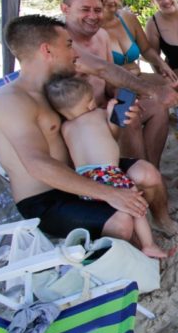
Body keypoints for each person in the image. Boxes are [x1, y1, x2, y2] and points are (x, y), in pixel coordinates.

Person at [0, 14, 178, 244]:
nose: (75, 53)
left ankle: (162, 221)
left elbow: (104, 77)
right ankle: (136, 261)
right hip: (46, 198)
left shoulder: (62, 90)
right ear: (47, 51)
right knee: (121, 221)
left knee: (147, 173)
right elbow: (37, 164)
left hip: (88, 171)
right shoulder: (11, 101)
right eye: (69, 45)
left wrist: (116, 120)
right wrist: (112, 194)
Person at [44, 75, 169, 259]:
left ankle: (133, 243)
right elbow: (113, 133)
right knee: (135, 204)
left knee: (121, 209)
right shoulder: (98, 114)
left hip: (85, 181)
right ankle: (148, 244)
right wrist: (112, 112)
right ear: (89, 103)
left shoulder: (65, 127)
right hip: (108, 173)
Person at [61, 0, 178, 170]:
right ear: (65, 9)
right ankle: (140, 172)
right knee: (127, 117)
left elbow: (109, 81)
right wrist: (151, 90)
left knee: (156, 107)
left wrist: (120, 94)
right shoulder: (62, 42)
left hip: (107, 104)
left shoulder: (101, 36)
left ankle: (153, 168)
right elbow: (103, 69)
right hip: (81, 116)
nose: (92, 16)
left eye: (97, 10)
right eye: (85, 9)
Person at [91, 0, 178, 86]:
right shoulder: (91, 28)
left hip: (136, 78)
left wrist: (162, 64)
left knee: (174, 84)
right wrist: (125, 69)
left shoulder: (128, 19)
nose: (110, 0)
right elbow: (96, 70)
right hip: (110, 87)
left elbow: (146, 50)